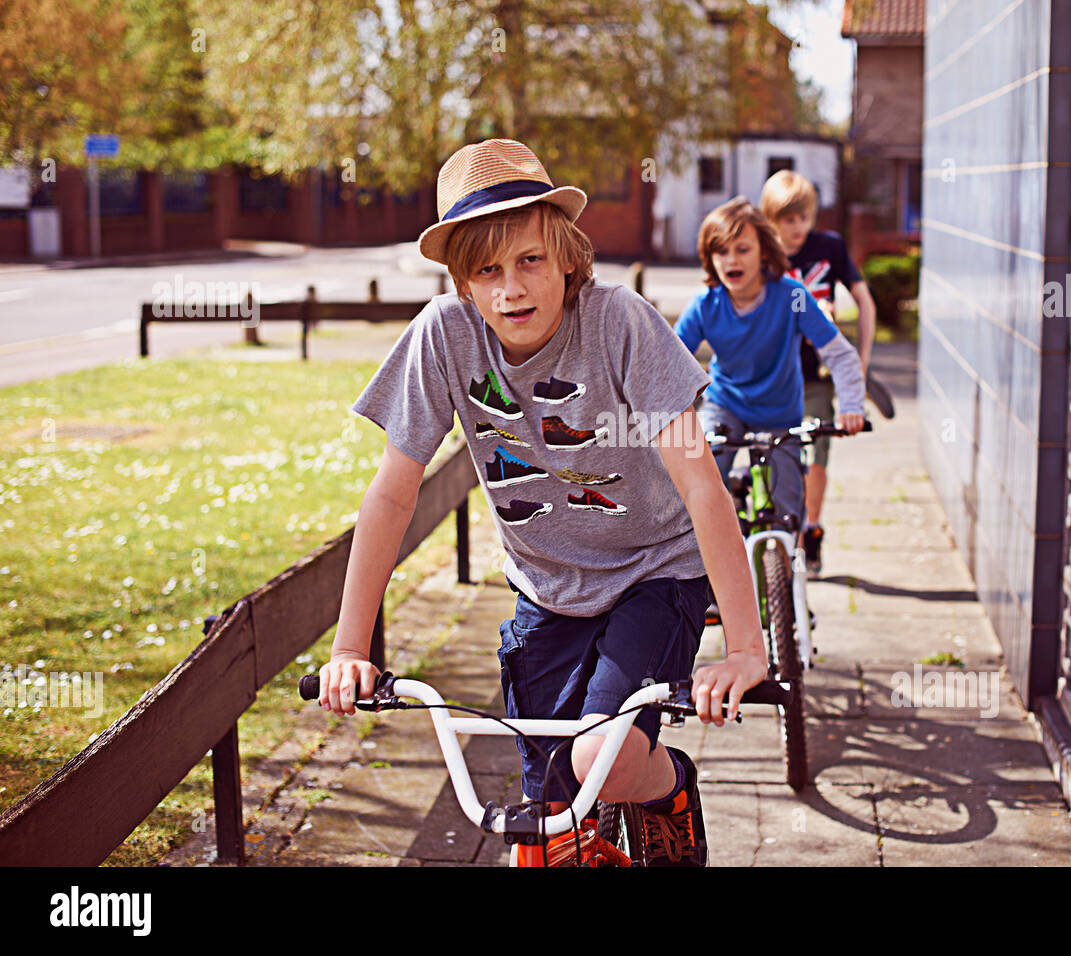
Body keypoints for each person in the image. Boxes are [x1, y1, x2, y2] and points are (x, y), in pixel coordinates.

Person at [314, 139, 768, 867]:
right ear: (462, 283)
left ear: (566, 257)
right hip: (546, 587)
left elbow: (701, 486)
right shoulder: (444, 337)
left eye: (529, 260)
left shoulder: (620, 323)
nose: (511, 290)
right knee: (550, 819)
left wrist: (745, 648)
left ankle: (668, 789)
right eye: (487, 271)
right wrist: (348, 650)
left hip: (654, 571)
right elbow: (393, 495)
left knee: (603, 760)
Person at [674, 197, 867, 595]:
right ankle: (706, 586)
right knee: (703, 482)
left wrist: (851, 407)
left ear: (764, 251)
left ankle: (789, 596)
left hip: (780, 413)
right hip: (726, 407)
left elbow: (840, 355)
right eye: (721, 251)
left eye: (742, 249)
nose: (732, 260)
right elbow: (668, 364)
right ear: (709, 258)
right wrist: (665, 418)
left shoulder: (790, 295)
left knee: (787, 508)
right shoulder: (706, 305)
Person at [759, 169, 894, 573]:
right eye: (788, 219)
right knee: (775, 453)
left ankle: (810, 529)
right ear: (771, 218)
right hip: (774, 375)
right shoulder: (760, 254)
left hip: (816, 374)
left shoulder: (828, 248)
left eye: (803, 217)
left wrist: (860, 364)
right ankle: (781, 531)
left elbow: (864, 302)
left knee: (817, 452)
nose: (797, 227)